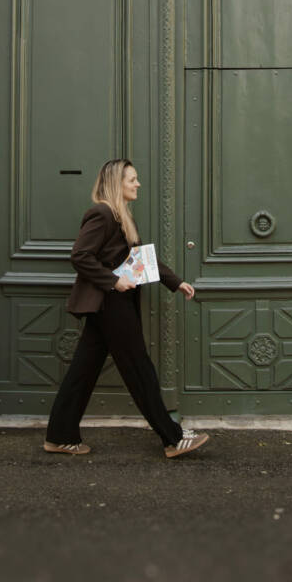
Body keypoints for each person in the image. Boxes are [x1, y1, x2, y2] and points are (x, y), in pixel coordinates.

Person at [44, 158, 209, 460]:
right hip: (110, 303)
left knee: (83, 370)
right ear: (116, 183)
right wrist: (113, 281)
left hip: (110, 304)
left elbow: (141, 261)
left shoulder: (121, 217)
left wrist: (176, 282)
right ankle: (172, 438)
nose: (138, 184)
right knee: (139, 369)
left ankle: (60, 436)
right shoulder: (102, 214)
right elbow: (80, 255)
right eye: (132, 179)